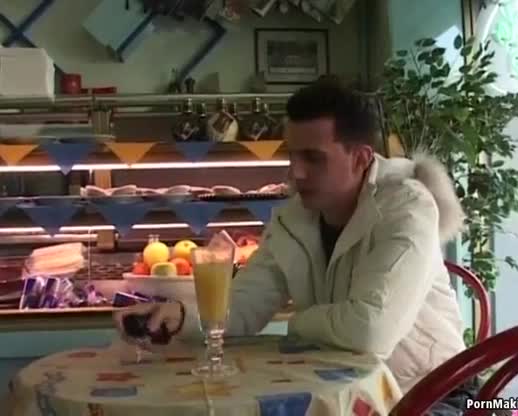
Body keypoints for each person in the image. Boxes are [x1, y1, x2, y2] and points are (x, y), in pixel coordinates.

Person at [115, 80, 473, 414]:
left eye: (314, 158)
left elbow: (369, 332)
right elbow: (244, 304)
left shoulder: (407, 207)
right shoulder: (292, 219)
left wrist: (300, 323)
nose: (295, 173)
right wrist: (180, 314)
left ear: (361, 159)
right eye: (293, 155)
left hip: (433, 394)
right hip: (345, 398)